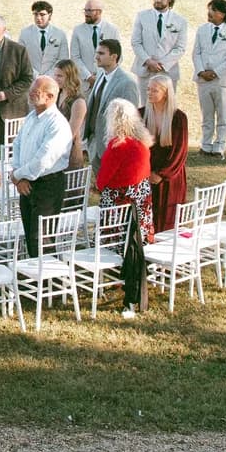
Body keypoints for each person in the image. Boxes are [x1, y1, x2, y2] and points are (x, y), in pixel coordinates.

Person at [96, 100, 154, 317]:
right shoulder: (142, 143)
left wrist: (99, 186)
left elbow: (104, 177)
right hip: (140, 202)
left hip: (120, 204)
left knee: (122, 245)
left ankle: (121, 279)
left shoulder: (118, 146)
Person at [6, 75, 71, 257]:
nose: (30, 94)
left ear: (50, 96)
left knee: (41, 239)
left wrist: (19, 175)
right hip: (26, 181)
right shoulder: (31, 117)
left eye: (36, 92)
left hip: (48, 185)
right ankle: (36, 279)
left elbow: (44, 159)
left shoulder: (57, 124)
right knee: (29, 234)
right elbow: (17, 144)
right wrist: (19, 176)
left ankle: (50, 282)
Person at [192, 0, 226, 158]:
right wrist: (201, 71)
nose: (210, 13)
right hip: (203, 80)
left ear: (222, 13)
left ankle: (219, 146)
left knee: (222, 115)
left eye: (213, 10)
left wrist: (215, 72)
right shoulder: (202, 30)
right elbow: (196, 53)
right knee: (207, 115)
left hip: (222, 81)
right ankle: (205, 145)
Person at [143, 73, 190, 234]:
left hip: (169, 177)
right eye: (148, 89)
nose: (149, 93)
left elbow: (179, 152)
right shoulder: (141, 114)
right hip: (145, 174)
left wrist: (161, 174)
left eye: (154, 90)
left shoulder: (178, 118)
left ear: (166, 92)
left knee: (167, 220)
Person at [84, 38, 142, 165]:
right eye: (97, 53)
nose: (96, 57)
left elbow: (129, 121)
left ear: (114, 57)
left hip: (112, 148)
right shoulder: (100, 76)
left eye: (101, 53)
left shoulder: (127, 83)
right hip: (94, 144)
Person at [131, 0, 188, 91]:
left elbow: (180, 48)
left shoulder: (180, 21)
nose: (157, 0)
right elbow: (136, 42)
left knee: (167, 105)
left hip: (168, 71)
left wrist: (163, 64)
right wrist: (148, 61)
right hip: (145, 70)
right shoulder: (142, 16)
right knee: (145, 105)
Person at [69, 0, 121, 79]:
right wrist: (88, 77)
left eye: (89, 10)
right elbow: (75, 57)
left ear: (99, 12)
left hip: (106, 80)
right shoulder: (77, 30)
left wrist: (104, 76)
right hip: (84, 82)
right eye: (85, 10)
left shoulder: (112, 30)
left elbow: (118, 56)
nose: (86, 13)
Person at [20, 1, 68, 80]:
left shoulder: (60, 34)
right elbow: (21, 59)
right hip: (31, 80)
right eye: (35, 14)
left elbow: (63, 59)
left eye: (42, 14)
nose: (38, 18)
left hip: (53, 79)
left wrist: (48, 76)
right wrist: (36, 75)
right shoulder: (25, 33)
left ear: (50, 15)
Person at [55, 61, 89, 170]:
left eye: (60, 76)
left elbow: (70, 133)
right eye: (55, 75)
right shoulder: (57, 94)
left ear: (70, 77)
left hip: (69, 155)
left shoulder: (78, 102)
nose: (55, 78)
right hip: (54, 153)